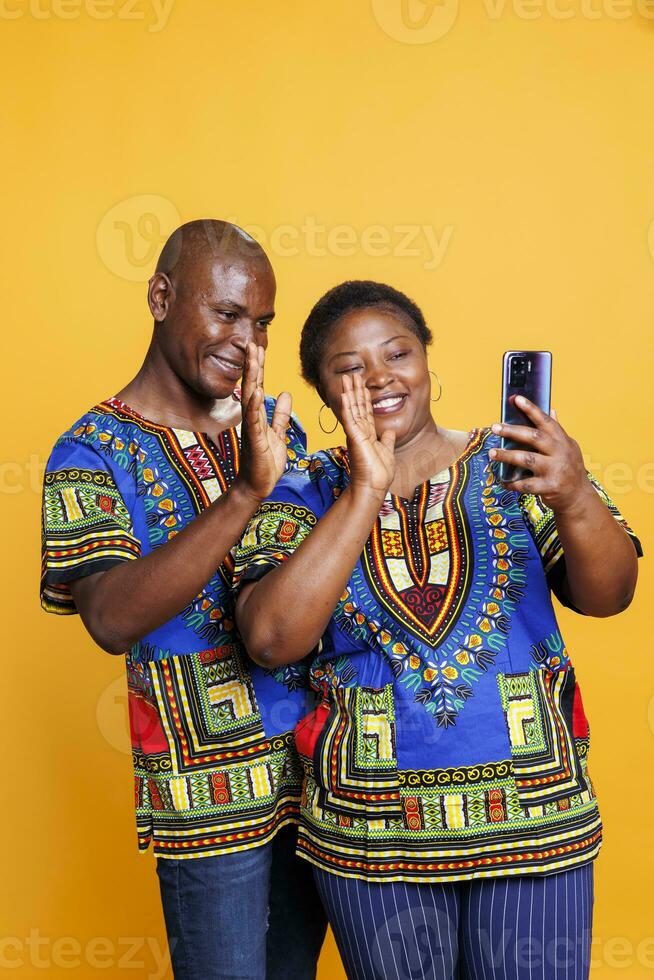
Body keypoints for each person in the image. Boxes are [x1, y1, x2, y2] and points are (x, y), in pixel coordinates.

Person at [233, 280, 642, 980]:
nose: (380, 376)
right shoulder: (301, 492)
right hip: (372, 833)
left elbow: (610, 596)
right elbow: (271, 640)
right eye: (349, 367)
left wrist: (573, 492)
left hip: (534, 815)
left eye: (397, 352)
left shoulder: (518, 462)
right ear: (325, 395)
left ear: (427, 360)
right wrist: (366, 488)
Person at [40, 220, 326, 980]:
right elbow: (108, 617)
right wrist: (245, 492)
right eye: (227, 314)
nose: (247, 342)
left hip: (322, 788)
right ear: (161, 297)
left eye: (263, 323)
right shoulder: (91, 451)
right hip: (209, 801)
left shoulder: (276, 434)